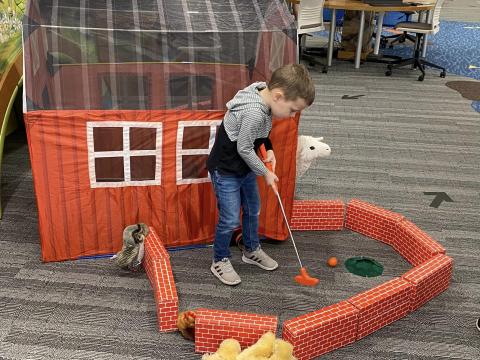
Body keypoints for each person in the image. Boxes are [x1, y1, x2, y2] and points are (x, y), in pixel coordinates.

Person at [206, 64, 316, 285]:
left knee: (253, 209)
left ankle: (251, 250)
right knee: (229, 219)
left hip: (245, 167)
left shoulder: (263, 94)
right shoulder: (254, 112)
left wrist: (270, 151)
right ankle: (219, 259)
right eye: (293, 110)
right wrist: (265, 172)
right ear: (278, 96)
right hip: (226, 170)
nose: (292, 115)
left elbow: (261, 134)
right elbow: (244, 148)